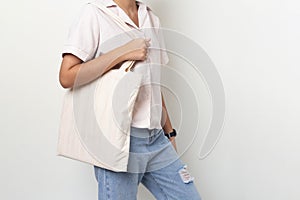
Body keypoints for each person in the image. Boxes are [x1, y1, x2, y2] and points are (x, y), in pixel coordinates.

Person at [59, 0, 201, 199]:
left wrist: (169, 132)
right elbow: (67, 76)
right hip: (118, 140)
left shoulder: (151, 18)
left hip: (156, 139)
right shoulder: (95, 14)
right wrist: (122, 53)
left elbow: (153, 84)